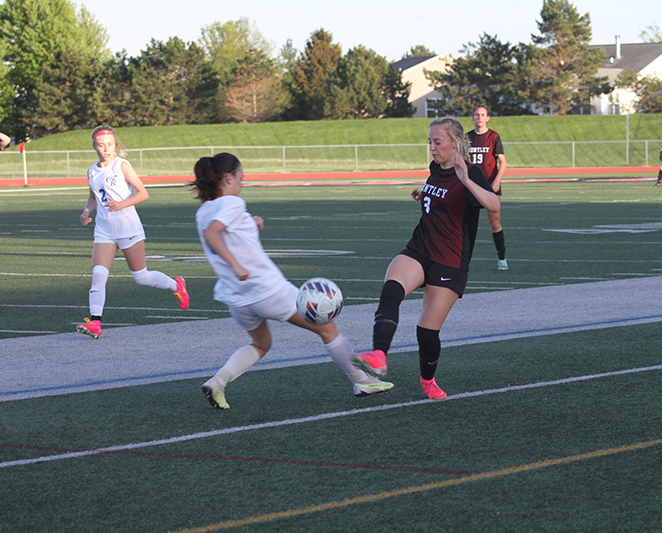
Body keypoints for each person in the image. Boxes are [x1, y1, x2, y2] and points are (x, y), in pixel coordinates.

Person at [190, 152, 393, 409]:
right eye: (241, 178)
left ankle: (218, 382)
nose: (242, 183)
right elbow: (213, 234)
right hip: (265, 290)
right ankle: (362, 381)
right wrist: (237, 265)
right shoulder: (233, 203)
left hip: (236, 297)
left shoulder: (204, 210)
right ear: (228, 177)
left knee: (261, 344)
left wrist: (251, 224)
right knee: (327, 328)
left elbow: (225, 232)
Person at [351, 117, 500, 400]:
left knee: (426, 333)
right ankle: (379, 355)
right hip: (420, 248)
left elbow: (494, 204)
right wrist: (424, 195)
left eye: (437, 142)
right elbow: (442, 198)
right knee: (391, 290)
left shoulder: (470, 172)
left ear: (455, 144)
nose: (431, 147)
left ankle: (428, 381)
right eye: (429, 141)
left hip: (450, 260)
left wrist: (467, 181)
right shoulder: (435, 168)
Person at [77, 125, 189, 339]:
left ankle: (177, 285)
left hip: (128, 228)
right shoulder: (92, 170)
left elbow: (143, 193)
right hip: (104, 231)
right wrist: (86, 212)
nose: (106, 149)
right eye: (101, 145)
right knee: (98, 277)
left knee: (141, 277)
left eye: (109, 145)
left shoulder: (122, 165)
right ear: (94, 147)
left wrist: (122, 204)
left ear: (115, 145)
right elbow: (93, 196)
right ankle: (96, 323)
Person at [467, 105, 508, 270]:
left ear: (488, 118)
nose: (479, 118)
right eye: (477, 115)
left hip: (490, 185)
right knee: (467, 224)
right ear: (473, 117)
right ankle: (462, 260)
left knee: (494, 223)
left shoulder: (493, 136)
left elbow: (502, 161)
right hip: (471, 186)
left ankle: (502, 259)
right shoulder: (467, 137)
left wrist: (497, 180)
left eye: (482, 115)